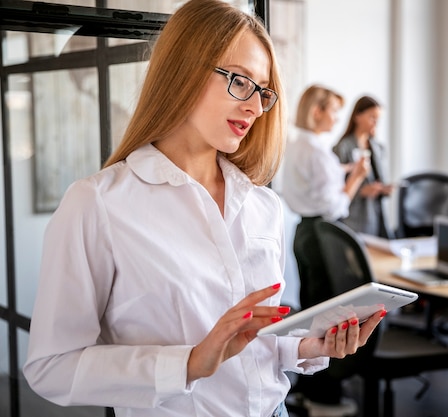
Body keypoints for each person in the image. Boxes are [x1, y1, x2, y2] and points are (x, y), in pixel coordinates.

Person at [22, 2, 385, 417]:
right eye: (240, 81)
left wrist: (307, 345)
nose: (253, 107)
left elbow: (257, 343)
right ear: (183, 70)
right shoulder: (98, 205)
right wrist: (189, 363)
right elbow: (51, 367)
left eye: (262, 91)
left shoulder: (264, 206)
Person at [281, 85, 370, 411]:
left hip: (305, 231)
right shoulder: (318, 152)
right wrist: (356, 177)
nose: (337, 118)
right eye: (333, 110)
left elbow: (316, 183)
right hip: (323, 232)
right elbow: (334, 206)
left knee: (313, 304)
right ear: (317, 111)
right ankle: (324, 393)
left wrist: (341, 172)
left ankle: (311, 386)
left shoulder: (299, 145)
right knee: (327, 310)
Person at [333, 95, 393, 238]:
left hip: (377, 219)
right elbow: (334, 190)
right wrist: (361, 191)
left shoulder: (378, 148)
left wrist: (383, 189)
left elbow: (380, 178)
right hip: (353, 221)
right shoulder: (342, 148)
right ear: (357, 116)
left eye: (378, 119)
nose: (375, 123)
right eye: (372, 117)